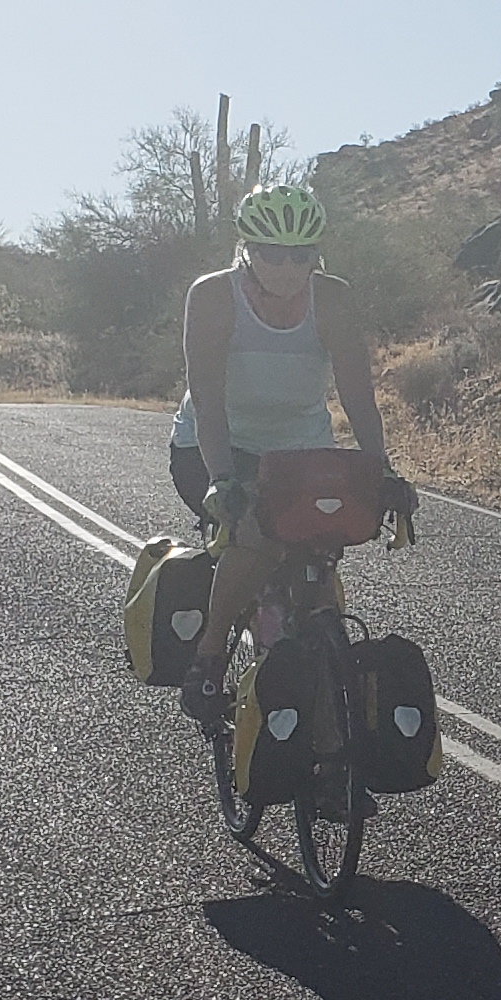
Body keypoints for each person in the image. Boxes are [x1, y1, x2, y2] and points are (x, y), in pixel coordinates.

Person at [172, 183, 399, 718]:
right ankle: (208, 659)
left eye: (302, 255)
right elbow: (207, 400)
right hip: (216, 446)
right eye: (273, 253)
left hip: (301, 449)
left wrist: (381, 469)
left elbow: (358, 396)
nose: (288, 267)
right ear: (247, 248)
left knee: (320, 543)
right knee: (257, 534)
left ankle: (330, 685)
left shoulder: (333, 299)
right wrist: (222, 480)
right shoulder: (213, 296)